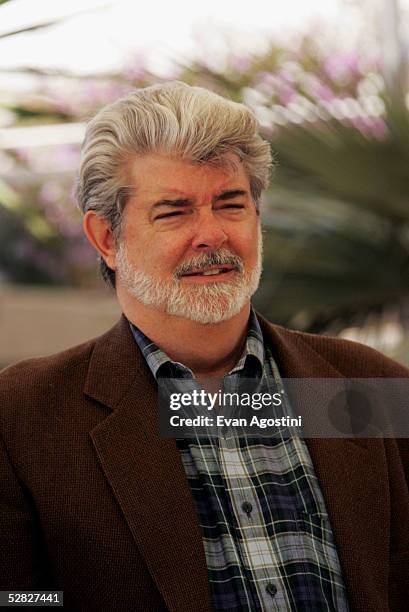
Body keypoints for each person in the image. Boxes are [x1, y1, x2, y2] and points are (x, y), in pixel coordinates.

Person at [0, 82, 408, 612]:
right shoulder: (21, 417)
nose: (211, 234)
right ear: (106, 239)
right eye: (174, 211)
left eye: (230, 203)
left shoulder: (373, 387)